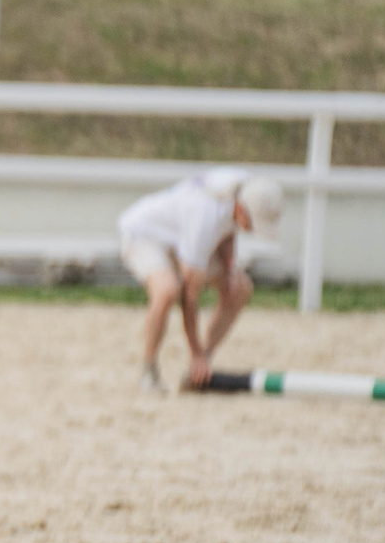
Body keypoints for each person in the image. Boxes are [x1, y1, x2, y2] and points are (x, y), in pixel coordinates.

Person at [118, 167, 284, 391]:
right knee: (167, 289)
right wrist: (194, 352)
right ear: (242, 210)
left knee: (240, 288)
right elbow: (189, 296)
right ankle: (149, 370)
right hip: (144, 233)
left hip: (181, 237)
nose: (252, 230)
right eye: (252, 224)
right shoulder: (204, 217)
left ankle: (199, 369)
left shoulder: (246, 188)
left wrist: (228, 268)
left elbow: (229, 227)